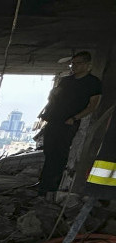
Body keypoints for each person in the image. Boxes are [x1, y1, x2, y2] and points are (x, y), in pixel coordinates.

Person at [38, 51, 102, 196]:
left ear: (87, 65)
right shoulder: (66, 81)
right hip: (54, 120)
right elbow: (54, 98)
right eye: (73, 63)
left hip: (68, 122)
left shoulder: (93, 82)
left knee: (60, 154)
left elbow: (93, 106)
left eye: (78, 63)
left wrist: (74, 118)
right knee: (49, 151)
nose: (74, 66)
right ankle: (44, 184)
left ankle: (52, 186)